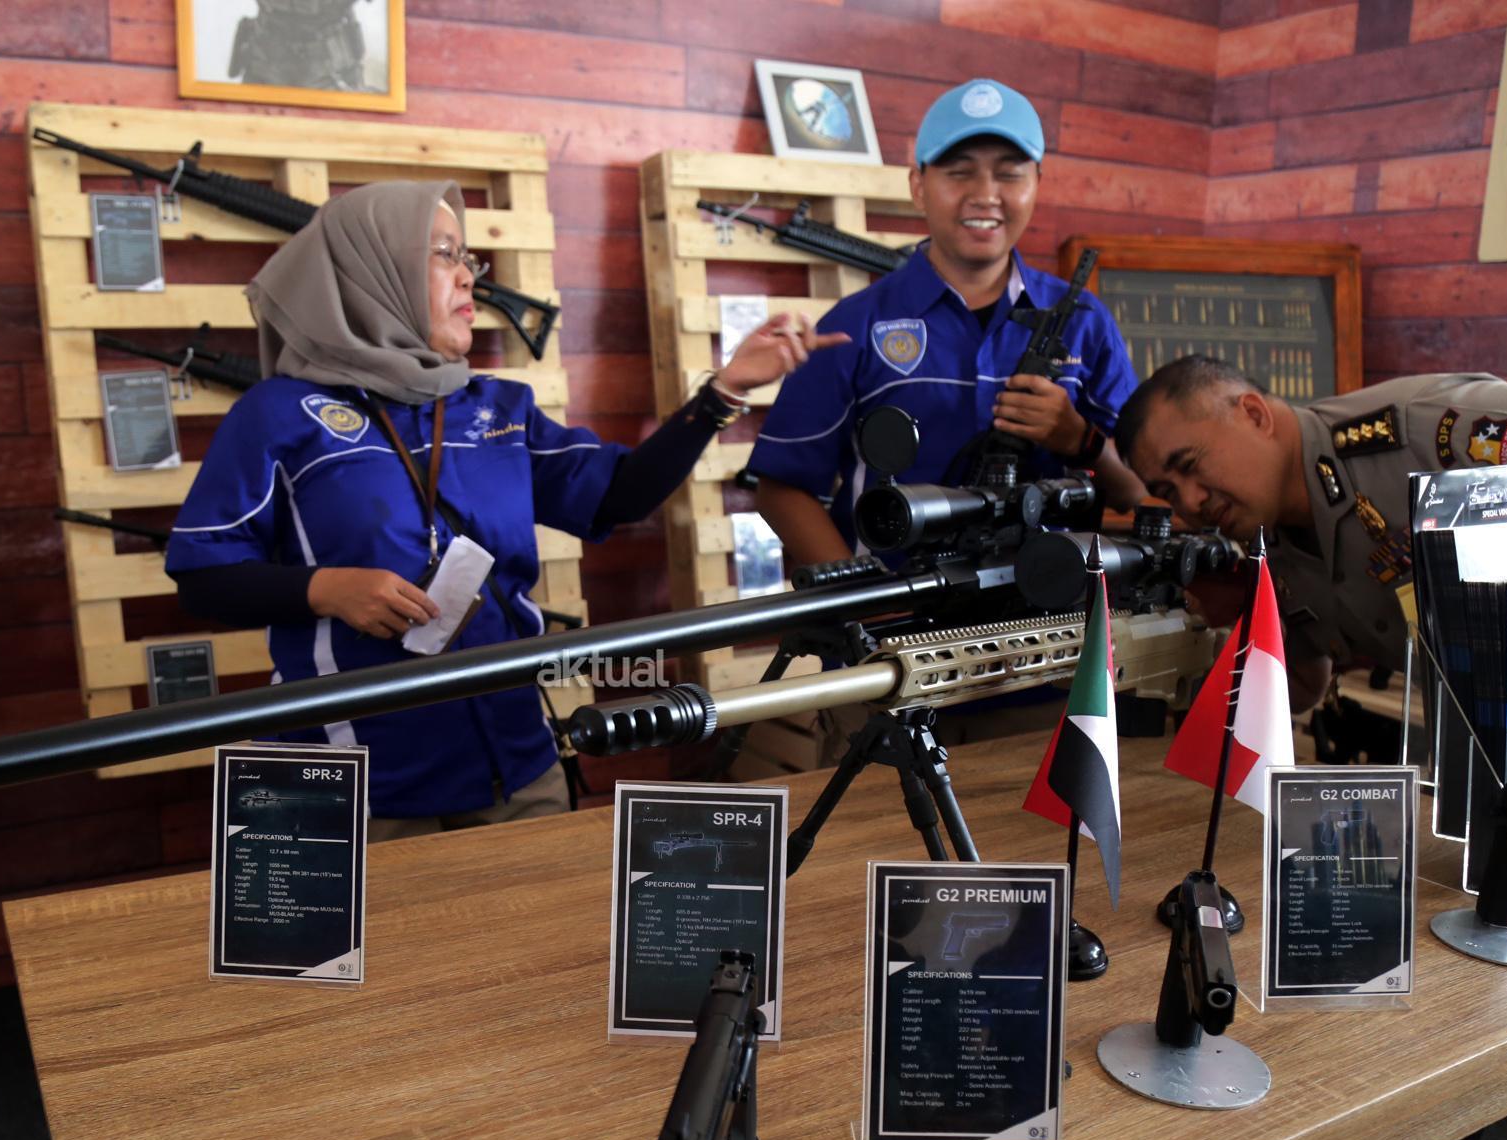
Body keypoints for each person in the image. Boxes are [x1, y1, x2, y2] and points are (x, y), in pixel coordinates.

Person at [164, 180, 845, 839]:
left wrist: (724, 392)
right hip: (358, 785)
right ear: (371, 270)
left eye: (469, 258)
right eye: (444, 254)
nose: (469, 277)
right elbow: (203, 575)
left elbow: (620, 494)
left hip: (517, 765)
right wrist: (327, 589)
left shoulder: (496, 407)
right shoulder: (278, 414)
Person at [748, 77, 1146, 573]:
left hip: (1050, 610)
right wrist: (863, 602)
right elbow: (781, 488)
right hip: (897, 612)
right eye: (959, 173)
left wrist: (1081, 441)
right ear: (918, 187)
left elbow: (1136, 491)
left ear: (1037, 184)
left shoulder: (1085, 322)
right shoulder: (854, 326)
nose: (985, 195)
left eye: (1009, 174)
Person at [1114, 354, 1507, 709]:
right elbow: (1304, 685)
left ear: (1254, 415)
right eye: (1168, 491)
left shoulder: (1424, 428)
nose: (1191, 501)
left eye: (1190, 465)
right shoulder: (1270, 541)